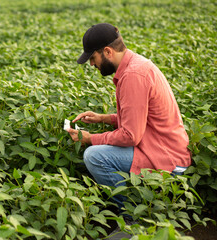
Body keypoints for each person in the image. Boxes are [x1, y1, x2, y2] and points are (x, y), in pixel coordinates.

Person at [67, 23, 191, 210]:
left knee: (94, 156)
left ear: (107, 52)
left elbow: (130, 136)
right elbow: (141, 117)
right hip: (164, 147)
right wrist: (103, 118)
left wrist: (90, 139)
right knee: (100, 149)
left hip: (167, 158)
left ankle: (132, 217)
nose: (92, 64)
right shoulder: (137, 64)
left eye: (93, 58)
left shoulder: (133, 76)